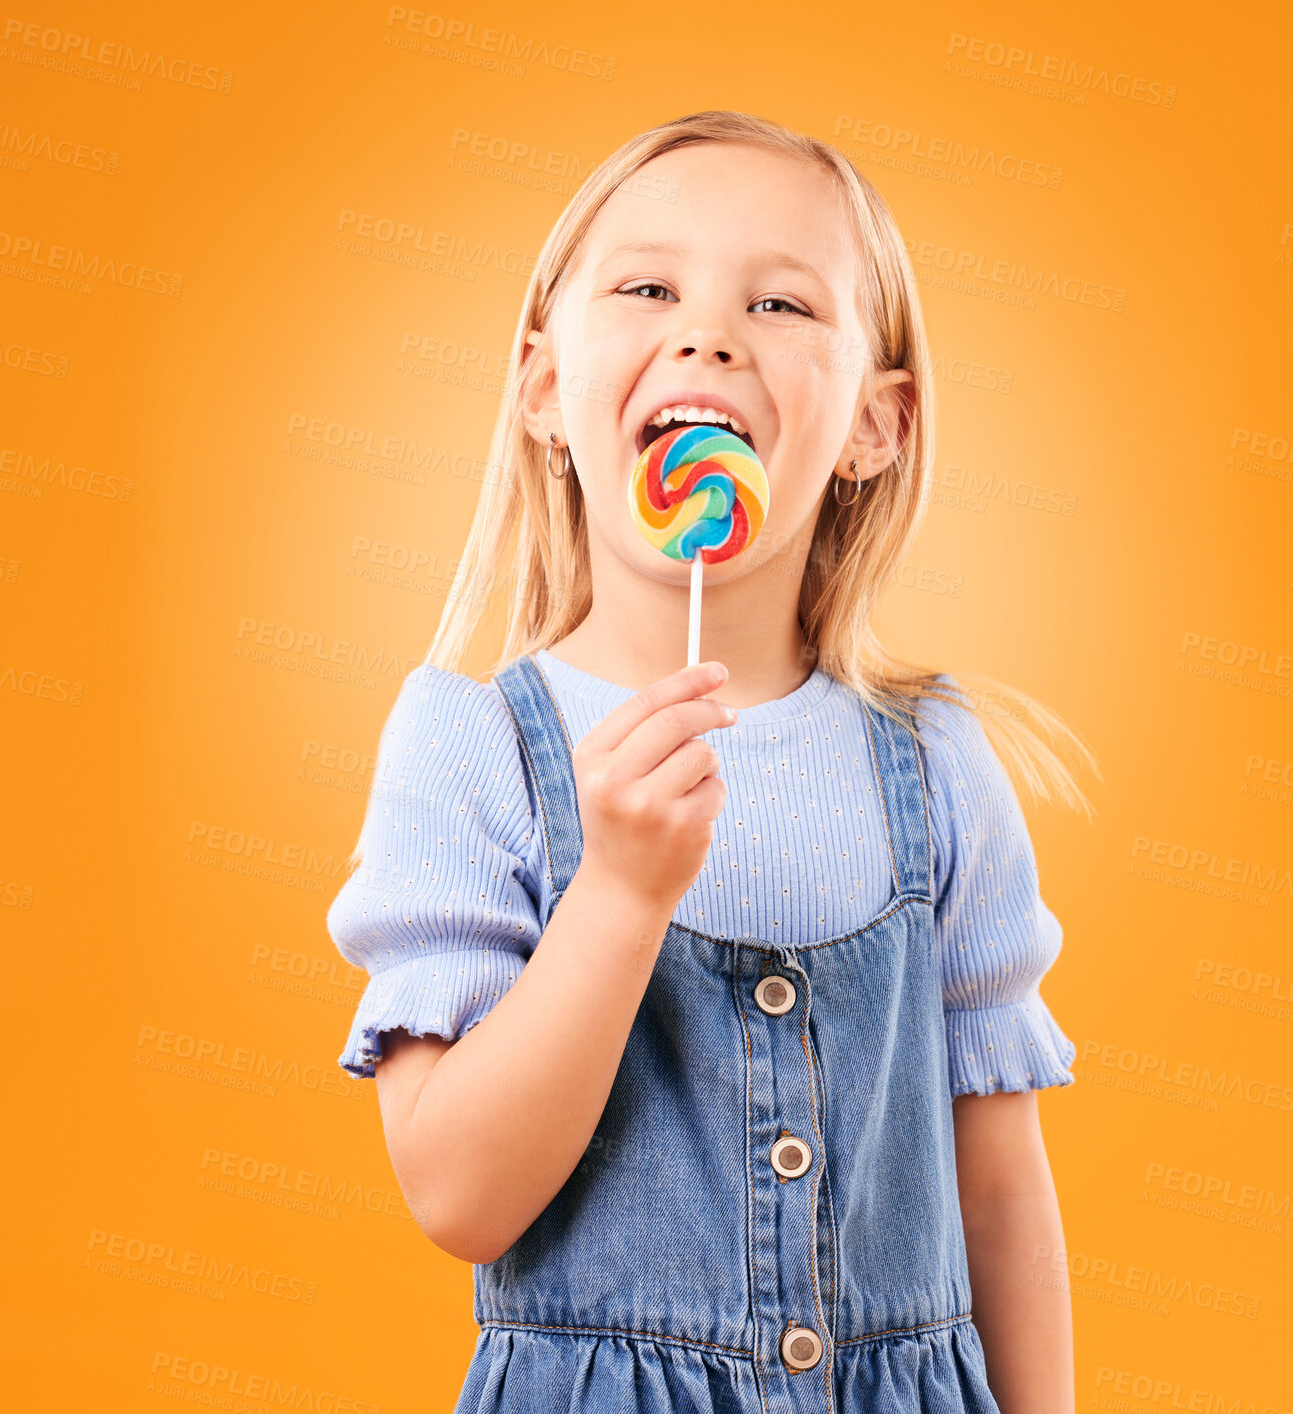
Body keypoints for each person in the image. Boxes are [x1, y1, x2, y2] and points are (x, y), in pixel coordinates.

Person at [327, 109, 1098, 1414]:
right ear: (542, 386)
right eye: (645, 286)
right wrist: (620, 893)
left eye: (782, 303)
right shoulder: (473, 749)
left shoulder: (936, 764)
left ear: (875, 424)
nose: (708, 333)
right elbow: (457, 1193)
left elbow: (999, 1187)